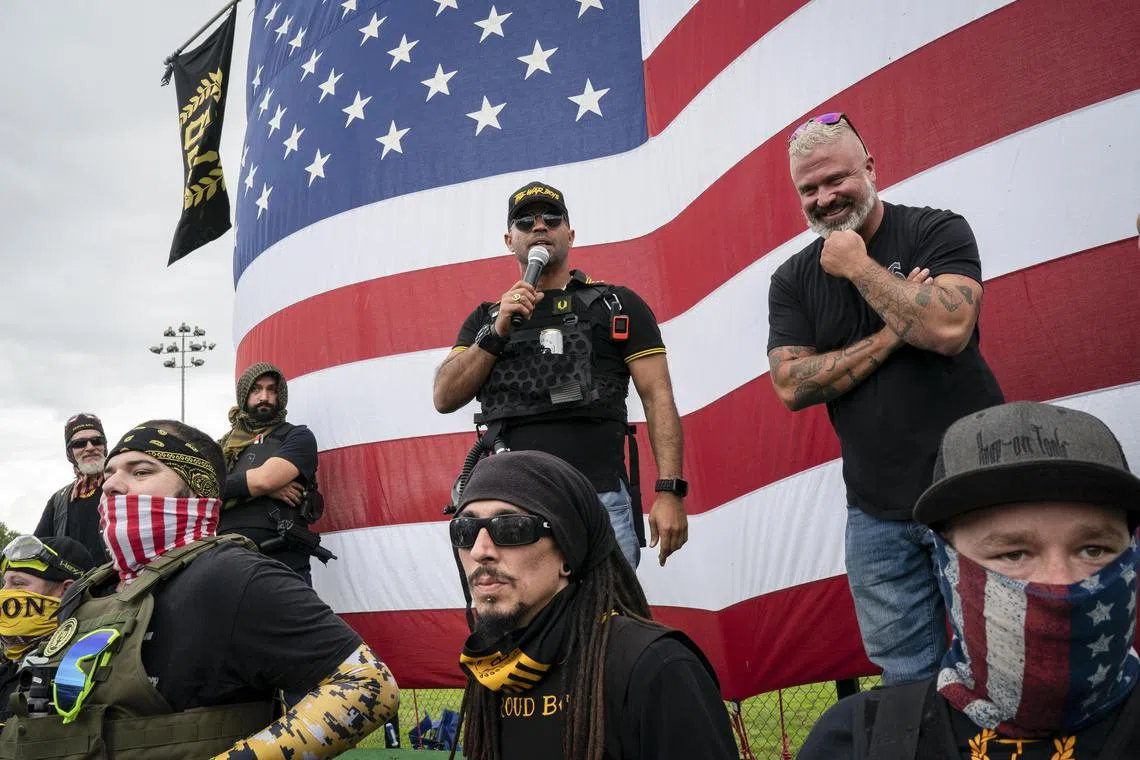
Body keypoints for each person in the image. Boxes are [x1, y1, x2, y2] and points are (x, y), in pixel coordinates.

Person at [766, 112, 1004, 684]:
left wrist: (857, 266)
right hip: (873, 511)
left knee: (995, 663)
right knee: (904, 679)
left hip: (971, 493)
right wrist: (897, 328)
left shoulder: (935, 229)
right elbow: (792, 385)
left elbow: (949, 328)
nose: (824, 198)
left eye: (836, 179)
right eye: (809, 189)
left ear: (870, 168)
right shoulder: (793, 279)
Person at [0, 419, 399, 758]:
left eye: (140, 472)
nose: (112, 487)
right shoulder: (89, 591)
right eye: (110, 475)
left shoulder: (230, 575)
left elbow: (369, 685)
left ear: (196, 491)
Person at [800, 401, 1140, 758]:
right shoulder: (856, 741)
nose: (1059, 583)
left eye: (1094, 549)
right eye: (1013, 554)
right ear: (946, 566)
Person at [433, 181, 688, 568]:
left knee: (608, 621)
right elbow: (444, 396)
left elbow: (658, 397)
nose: (539, 226)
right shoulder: (486, 318)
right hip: (510, 508)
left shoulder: (616, 305)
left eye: (552, 218)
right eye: (525, 221)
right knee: (520, 624)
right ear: (509, 239)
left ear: (569, 233)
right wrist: (497, 332)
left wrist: (670, 490)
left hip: (597, 498)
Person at [449, 450, 736, 760]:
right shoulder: (493, 669)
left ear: (567, 553)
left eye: (511, 528)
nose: (480, 550)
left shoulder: (657, 668)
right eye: (464, 530)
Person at [219, 362, 327, 584]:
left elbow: (265, 480)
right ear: (244, 395)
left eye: (272, 390)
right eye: (256, 389)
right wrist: (260, 490)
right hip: (228, 561)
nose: (264, 397)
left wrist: (257, 485)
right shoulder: (221, 448)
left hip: (283, 562)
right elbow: (198, 492)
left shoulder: (297, 436)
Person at [0, 535, 94, 724]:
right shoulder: (7, 667)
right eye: (5, 584)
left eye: (18, 584)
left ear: (66, 590)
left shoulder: (80, 667)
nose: (5, 594)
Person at [34, 413, 111, 564]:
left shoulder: (122, 485)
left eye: (97, 441)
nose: (90, 447)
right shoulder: (59, 500)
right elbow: (39, 549)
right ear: (70, 453)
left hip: (121, 583)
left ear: (104, 447)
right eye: (80, 444)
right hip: (73, 585)